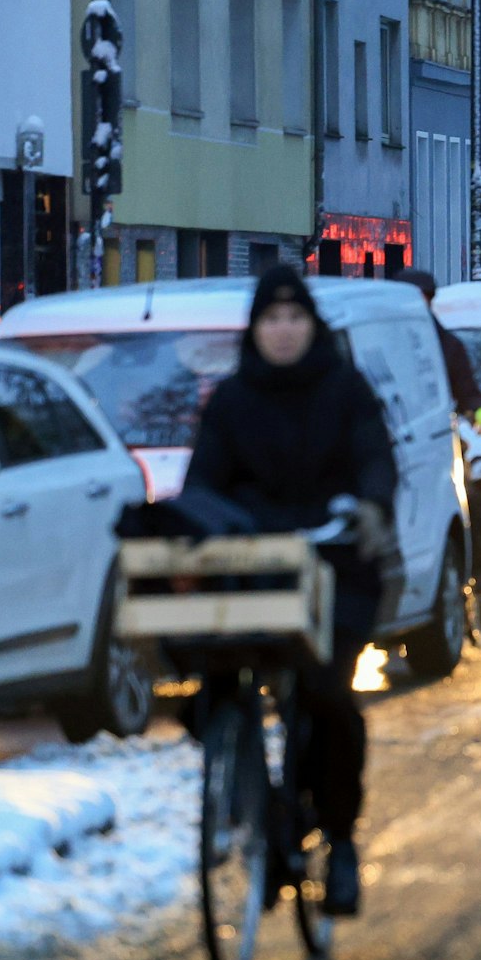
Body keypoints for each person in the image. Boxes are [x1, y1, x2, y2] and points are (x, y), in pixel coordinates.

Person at [186, 266, 399, 916]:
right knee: (218, 673)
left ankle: (338, 838)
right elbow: (204, 483)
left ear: (313, 325)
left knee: (327, 693)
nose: (283, 331)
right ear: (255, 329)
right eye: (271, 319)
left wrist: (370, 507)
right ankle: (243, 785)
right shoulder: (231, 401)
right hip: (257, 571)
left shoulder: (345, 388)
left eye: (294, 318)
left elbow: (374, 456)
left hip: (336, 567)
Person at [395, 267, 481, 434]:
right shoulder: (374, 340)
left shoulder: (447, 345)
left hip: (435, 434)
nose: (415, 305)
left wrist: (476, 410)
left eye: (423, 298)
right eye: (409, 298)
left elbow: (465, 389)